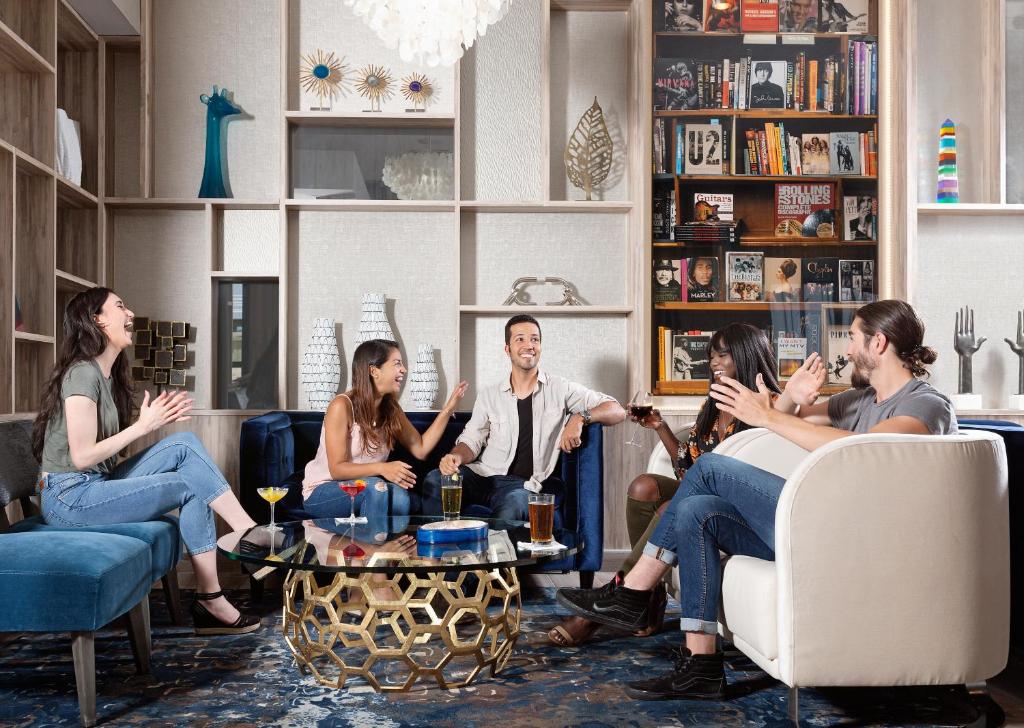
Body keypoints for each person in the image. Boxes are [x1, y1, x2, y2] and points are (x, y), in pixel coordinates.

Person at [557, 299, 957, 700]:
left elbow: (866, 450)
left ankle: (632, 591)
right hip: (818, 527)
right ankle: (700, 665)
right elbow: (788, 422)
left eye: (853, 338)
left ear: (879, 343)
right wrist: (791, 397)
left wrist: (769, 415)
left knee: (710, 467)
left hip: (851, 536)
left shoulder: (924, 403)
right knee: (696, 511)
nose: (848, 350)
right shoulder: (858, 400)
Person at [32, 287, 261, 635]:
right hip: (68, 498)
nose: (130, 314)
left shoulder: (106, 375)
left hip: (94, 484)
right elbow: (81, 456)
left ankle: (245, 532)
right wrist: (143, 426)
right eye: (120, 306)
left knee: (184, 444)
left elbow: (103, 457)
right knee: (190, 485)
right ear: (97, 319)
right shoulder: (82, 373)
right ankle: (213, 595)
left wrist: (149, 425)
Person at [549, 323, 783, 647]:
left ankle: (613, 601)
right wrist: (660, 427)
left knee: (667, 509)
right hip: (702, 492)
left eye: (723, 355)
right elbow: (689, 467)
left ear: (746, 355)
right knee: (644, 487)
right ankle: (649, 598)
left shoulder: (769, 407)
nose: (714, 363)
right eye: (711, 356)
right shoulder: (713, 406)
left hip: (740, 511)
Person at [420, 314, 626, 521]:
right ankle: (440, 542)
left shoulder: (560, 388)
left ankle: (495, 544)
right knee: (436, 480)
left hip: (524, 485)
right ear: (507, 349)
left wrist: (580, 417)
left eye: (535, 339)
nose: (529, 345)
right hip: (483, 476)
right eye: (520, 339)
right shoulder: (489, 395)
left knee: (516, 503)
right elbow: (471, 440)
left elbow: (617, 410)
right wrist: (456, 457)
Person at [302, 339, 467, 519]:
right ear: (374, 371)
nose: (403, 369)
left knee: (401, 499)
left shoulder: (391, 408)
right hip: (324, 489)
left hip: (368, 486)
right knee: (375, 489)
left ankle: (385, 537)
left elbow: (421, 448)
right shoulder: (341, 406)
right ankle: (373, 538)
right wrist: (382, 468)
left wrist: (448, 409)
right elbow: (337, 469)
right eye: (397, 363)